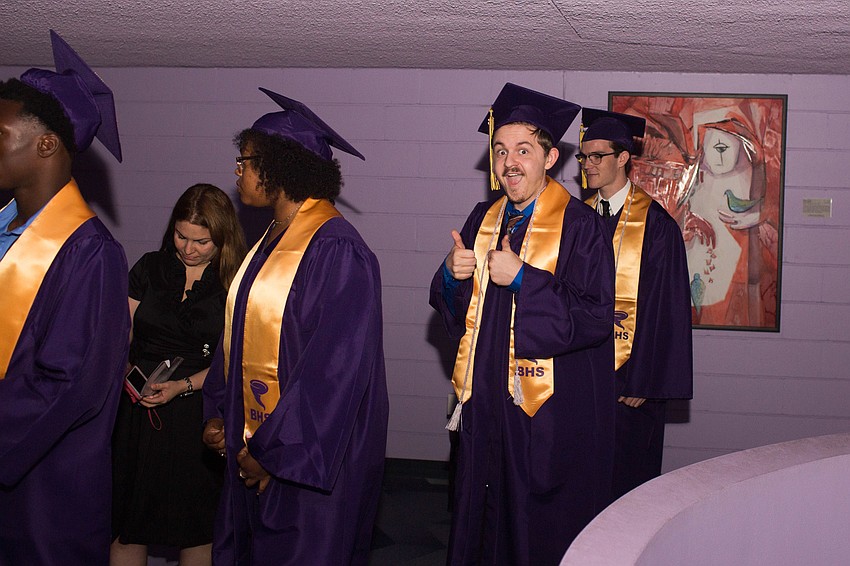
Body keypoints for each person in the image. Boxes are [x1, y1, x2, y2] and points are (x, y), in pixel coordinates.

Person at [430, 83, 616, 565]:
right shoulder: (483, 217)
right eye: (500, 151)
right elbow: (455, 308)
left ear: (551, 158)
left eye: (524, 150)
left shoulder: (581, 227)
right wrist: (453, 277)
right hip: (484, 406)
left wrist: (524, 281)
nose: (509, 162)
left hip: (546, 415)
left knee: (533, 530)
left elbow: (595, 317)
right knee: (480, 522)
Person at [202, 87, 388, 565]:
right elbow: (238, 340)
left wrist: (272, 452)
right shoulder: (267, 242)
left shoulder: (337, 250)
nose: (237, 171)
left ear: (279, 168)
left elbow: (333, 374)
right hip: (256, 450)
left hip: (305, 462)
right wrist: (222, 414)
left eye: (245, 160)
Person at [0, 31, 129, 565]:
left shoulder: (91, 255)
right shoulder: (4, 232)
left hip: (43, 494)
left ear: (46, 144)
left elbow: (65, 385)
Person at [111, 184, 247, 566]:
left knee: (197, 525)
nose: (188, 249)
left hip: (196, 413)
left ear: (222, 238)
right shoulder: (149, 267)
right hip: (137, 410)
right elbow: (121, 336)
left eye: (202, 241)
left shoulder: (235, 283)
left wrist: (183, 386)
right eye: (180, 236)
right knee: (127, 520)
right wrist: (125, 374)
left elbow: (233, 361)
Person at [579, 108, 693, 499]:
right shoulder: (574, 221)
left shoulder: (657, 227)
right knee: (580, 477)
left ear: (623, 157)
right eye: (584, 156)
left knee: (624, 482)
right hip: (580, 376)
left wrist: (645, 378)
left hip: (630, 382)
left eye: (597, 156)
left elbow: (668, 309)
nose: (587, 165)